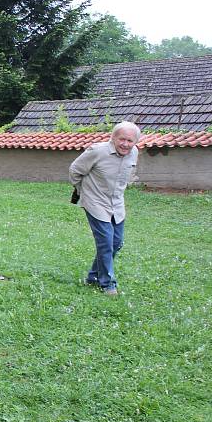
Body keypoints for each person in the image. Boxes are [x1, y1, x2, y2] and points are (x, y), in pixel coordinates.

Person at [69, 121, 141, 295]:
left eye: (130, 141)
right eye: (121, 139)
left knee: (116, 243)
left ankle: (93, 276)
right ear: (113, 137)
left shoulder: (134, 153)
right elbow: (75, 170)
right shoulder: (97, 151)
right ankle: (107, 283)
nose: (125, 144)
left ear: (135, 142)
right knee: (106, 243)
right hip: (95, 202)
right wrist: (82, 192)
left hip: (116, 204)